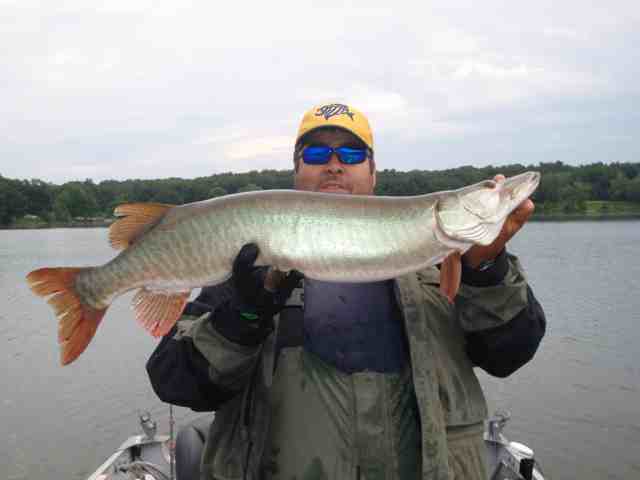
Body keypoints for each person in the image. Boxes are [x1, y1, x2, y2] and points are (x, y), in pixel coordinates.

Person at [146, 103, 546, 480]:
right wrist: (243, 315)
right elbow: (174, 381)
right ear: (296, 171)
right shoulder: (247, 271)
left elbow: (509, 354)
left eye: (352, 154)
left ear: (373, 173)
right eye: (317, 154)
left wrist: (486, 269)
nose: (334, 165)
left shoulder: (446, 267)